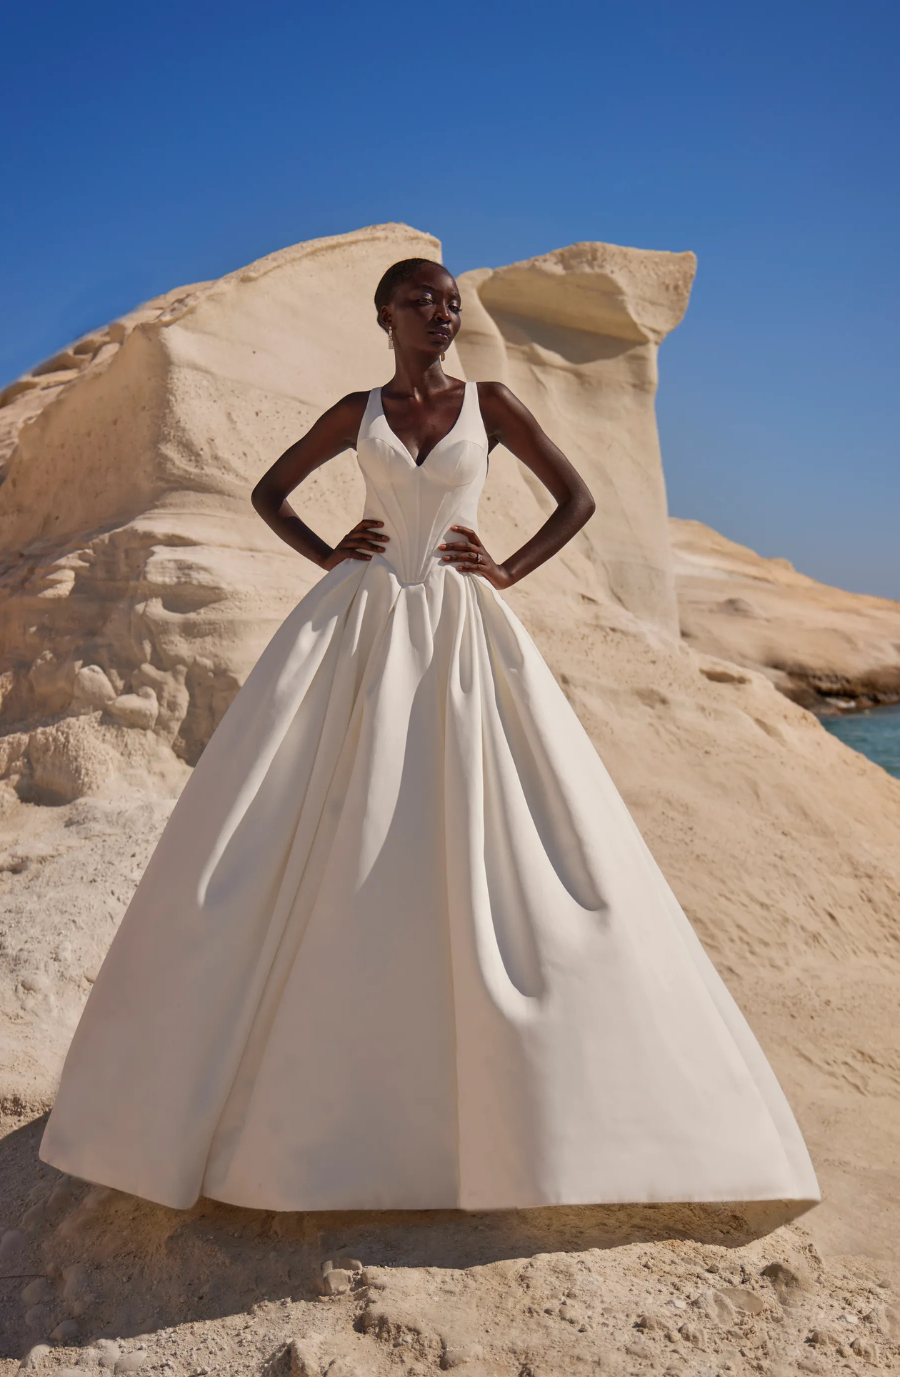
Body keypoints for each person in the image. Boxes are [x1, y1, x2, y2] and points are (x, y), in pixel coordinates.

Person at [40, 259, 821, 1213]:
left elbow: (575, 499)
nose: (442, 313)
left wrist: (505, 569)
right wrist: (331, 552)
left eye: (451, 302)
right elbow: (271, 491)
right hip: (359, 621)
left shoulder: (491, 400)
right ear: (385, 315)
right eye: (423, 301)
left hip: (458, 623)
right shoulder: (356, 409)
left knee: (502, 824)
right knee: (309, 816)